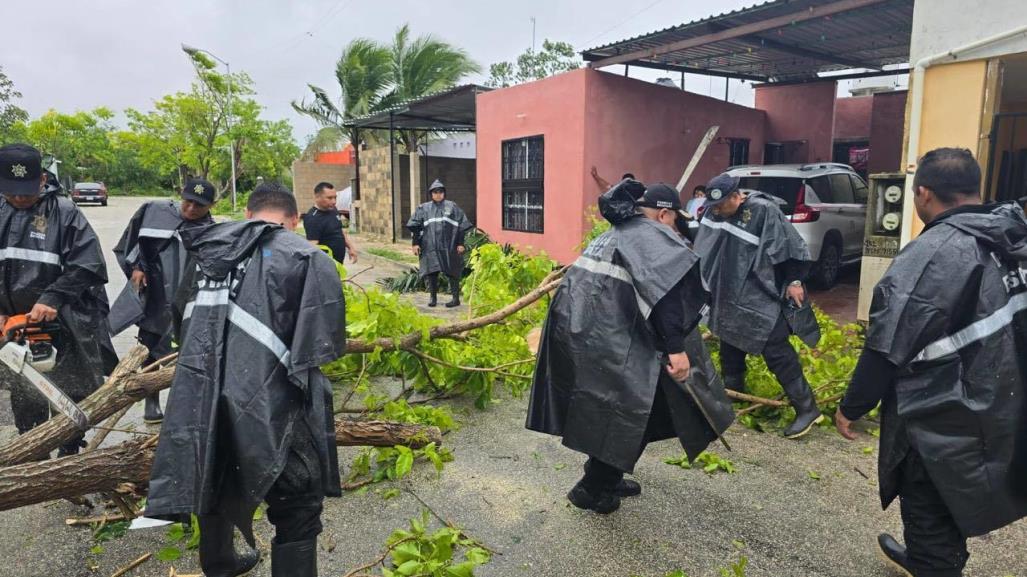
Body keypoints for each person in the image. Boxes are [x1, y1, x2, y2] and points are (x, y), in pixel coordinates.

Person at [835, 148, 1027, 577]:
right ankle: (932, 556)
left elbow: (888, 344)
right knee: (957, 498)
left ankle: (934, 561)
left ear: (922, 193)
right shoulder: (1011, 234)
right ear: (976, 190)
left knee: (931, 502)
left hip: (948, 415)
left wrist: (852, 407)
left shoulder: (935, 252)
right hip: (1004, 399)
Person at [146, 182, 346, 577]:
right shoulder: (306, 256)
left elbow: (180, 323)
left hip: (199, 397)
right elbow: (322, 347)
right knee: (297, 502)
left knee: (212, 465)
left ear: (250, 216)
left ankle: (219, 564)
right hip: (269, 403)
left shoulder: (203, 251)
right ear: (293, 221)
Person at [527, 180, 733, 514]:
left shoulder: (617, 232)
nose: (676, 229)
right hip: (611, 338)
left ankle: (605, 475)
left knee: (618, 412)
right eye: (677, 221)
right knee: (634, 411)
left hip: (583, 333)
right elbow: (664, 296)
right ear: (664, 215)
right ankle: (592, 488)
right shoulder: (651, 236)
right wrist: (676, 350)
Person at [0, 143, 118, 457]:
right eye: (12, 191)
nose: (20, 198)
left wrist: (53, 296)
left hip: (63, 320)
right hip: (15, 325)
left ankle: (69, 449)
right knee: (25, 391)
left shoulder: (64, 212)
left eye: (26, 190)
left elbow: (89, 264)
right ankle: (33, 451)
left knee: (71, 389)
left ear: (42, 179)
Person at [693, 173, 822, 439]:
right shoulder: (714, 211)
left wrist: (794, 279)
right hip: (725, 289)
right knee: (728, 333)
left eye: (721, 205)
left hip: (758, 290)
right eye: (713, 206)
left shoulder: (763, 211)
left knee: (774, 346)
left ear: (736, 196)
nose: (716, 211)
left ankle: (807, 408)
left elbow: (791, 246)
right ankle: (733, 389)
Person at [111, 178, 215, 423]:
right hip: (155, 292)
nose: (190, 209)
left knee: (187, 351)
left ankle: (185, 406)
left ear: (211, 205)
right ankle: (151, 400)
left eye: (198, 206)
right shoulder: (153, 211)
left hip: (187, 297)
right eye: (188, 202)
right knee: (149, 347)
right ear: (181, 194)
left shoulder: (211, 231)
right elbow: (131, 242)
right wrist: (136, 267)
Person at [406, 179, 473, 308]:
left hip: (449, 246)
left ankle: (455, 299)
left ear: (444, 193)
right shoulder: (424, 209)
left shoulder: (452, 207)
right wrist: (415, 244)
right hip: (429, 246)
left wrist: (460, 243)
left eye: (440, 192)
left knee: (452, 271)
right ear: (431, 194)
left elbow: (460, 225)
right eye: (435, 192)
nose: (438, 194)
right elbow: (415, 227)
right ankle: (433, 298)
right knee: (432, 272)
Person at [302, 181, 357, 265]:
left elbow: (339, 230)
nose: (334, 201)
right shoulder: (313, 218)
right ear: (317, 197)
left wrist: (350, 247)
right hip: (325, 265)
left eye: (335, 197)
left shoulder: (333, 210)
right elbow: (312, 245)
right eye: (329, 198)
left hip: (338, 262)